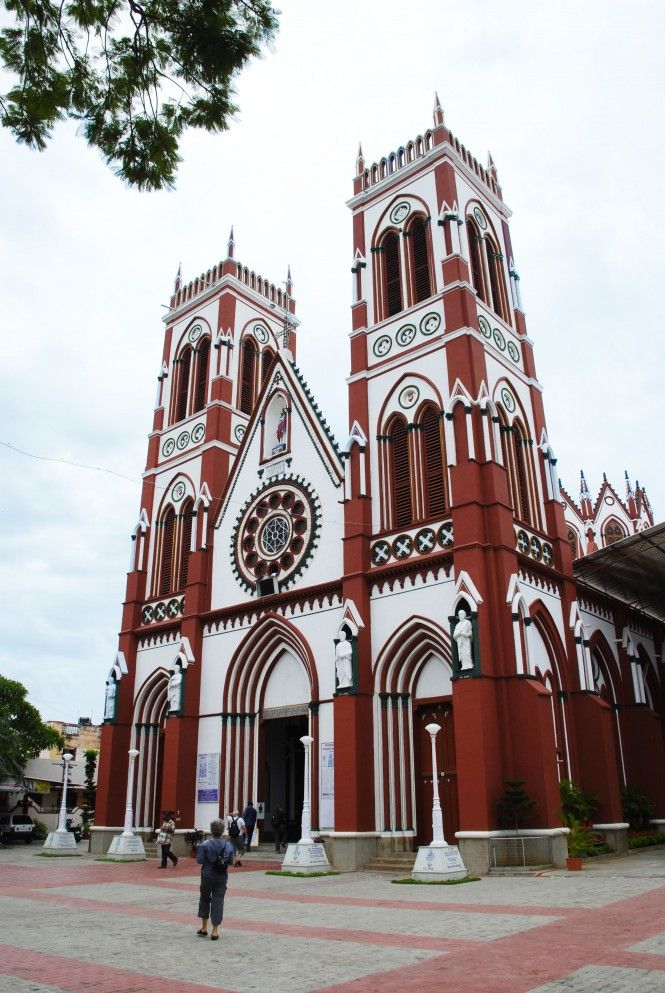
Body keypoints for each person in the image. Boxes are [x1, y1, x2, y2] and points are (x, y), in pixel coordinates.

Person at [196, 819, 234, 940]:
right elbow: (232, 862)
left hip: (207, 875)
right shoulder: (228, 845)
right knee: (218, 900)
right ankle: (215, 931)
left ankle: (204, 927)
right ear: (222, 831)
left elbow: (199, 860)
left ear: (212, 830)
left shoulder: (206, 844)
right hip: (222, 876)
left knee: (205, 898)